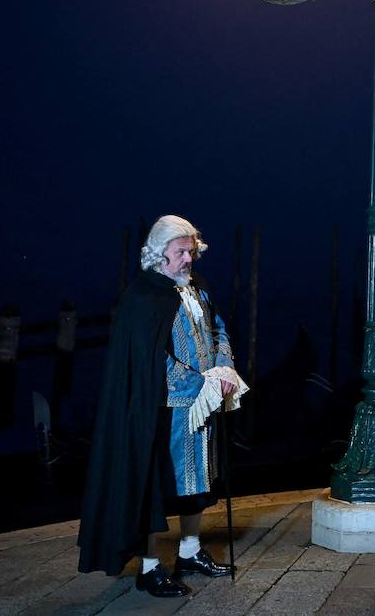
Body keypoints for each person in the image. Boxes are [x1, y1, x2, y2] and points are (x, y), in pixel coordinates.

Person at [77, 215, 249, 597]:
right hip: (160, 411)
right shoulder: (143, 296)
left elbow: (217, 327)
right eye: (180, 252)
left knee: (199, 482)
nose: (188, 258)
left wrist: (224, 368)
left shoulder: (198, 288)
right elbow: (149, 358)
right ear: (160, 253)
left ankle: (189, 552)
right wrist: (199, 384)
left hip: (202, 406)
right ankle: (150, 567)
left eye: (192, 251)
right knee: (149, 486)